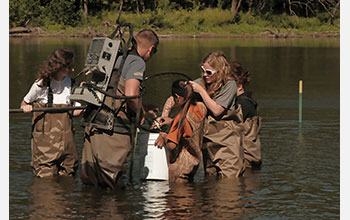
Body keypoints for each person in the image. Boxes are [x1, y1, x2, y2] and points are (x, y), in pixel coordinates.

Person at [80, 29, 159, 189]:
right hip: (113, 132)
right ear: (151, 49)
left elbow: (113, 89)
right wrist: (141, 114)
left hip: (93, 126)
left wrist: (143, 106)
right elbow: (130, 95)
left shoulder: (114, 57)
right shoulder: (137, 62)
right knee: (112, 187)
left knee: (91, 187)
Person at [20, 48, 81, 178]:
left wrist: (89, 103)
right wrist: (26, 107)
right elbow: (24, 103)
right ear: (59, 66)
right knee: (45, 178)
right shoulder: (41, 84)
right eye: (69, 67)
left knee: (69, 175)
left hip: (67, 144)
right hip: (45, 146)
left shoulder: (71, 84)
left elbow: (75, 112)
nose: (73, 70)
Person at [188, 51, 245, 178]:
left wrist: (201, 92)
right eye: (203, 70)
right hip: (208, 144)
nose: (204, 75)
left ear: (219, 72)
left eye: (209, 72)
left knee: (229, 183)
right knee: (211, 180)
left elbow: (217, 110)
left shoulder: (230, 85)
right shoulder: (201, 82)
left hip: (227, 143)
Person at [155, 80, 207, 182]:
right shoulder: (201, 107)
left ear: (177, 97)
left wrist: (164, 136)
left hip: (179, 171)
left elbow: (172, 145)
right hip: (193, 164)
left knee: (177, 196)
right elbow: (189, 127)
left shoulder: (180, 118)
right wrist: (171, 121)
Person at [231, 61, 262, 168]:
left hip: (246, 161)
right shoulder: (246, 101)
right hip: (249, 159)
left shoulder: (243, 104)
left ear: (239, 86)